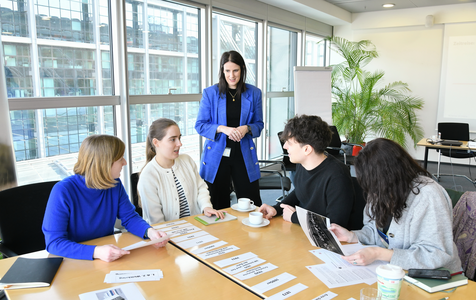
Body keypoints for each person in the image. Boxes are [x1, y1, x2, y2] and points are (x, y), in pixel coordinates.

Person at [329, 138, 462, 271]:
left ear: (390, 177)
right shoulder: (379, 189)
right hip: (394, 272)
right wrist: (352, 236)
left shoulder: (428, 195)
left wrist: (379, 253)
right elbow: (374, 232)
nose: (372, 193)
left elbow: (435, 255)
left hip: (436, 278)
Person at [42, 135, 169, 262]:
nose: (124, 163)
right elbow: (54, 243)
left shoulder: (115, 184)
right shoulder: (63, 190)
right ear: (104, 163)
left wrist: (150, 232)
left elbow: (129, 217)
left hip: (106, 256)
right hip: (75, 258)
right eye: (120, 159)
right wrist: (96, 251)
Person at [258, 115, 360, 229]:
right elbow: (299, 192)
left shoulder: (337, 176)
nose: (285, 146)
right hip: (307, 231)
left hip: (333, 240)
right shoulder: (303, 164)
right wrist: (276, 208)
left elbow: (335, 225)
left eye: (289, 143)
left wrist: (295, 217)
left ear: (307, 149)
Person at [195, 50, 263, 209]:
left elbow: (259, 125)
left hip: (243, 155)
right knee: (217, 204)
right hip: (217, 156)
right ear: (222, 71)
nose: (231, 75)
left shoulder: (254, 93)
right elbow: (200, 125)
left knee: (251, 203)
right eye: (227, 71)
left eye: (235, 70)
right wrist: (222, 128)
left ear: (242, 70)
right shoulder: (210, 93)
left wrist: (247, 128)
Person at [138, 118, 224, 224]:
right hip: (167, 235)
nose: (179, 144)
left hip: (197, 226)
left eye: (179, 138)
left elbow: (201, 188)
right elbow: (156, 221)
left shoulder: (186, 160)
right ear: (156, 142)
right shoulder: (148, 175)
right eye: (173, 139)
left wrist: (206, 207)